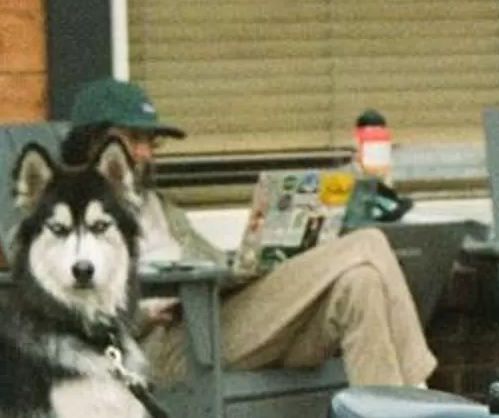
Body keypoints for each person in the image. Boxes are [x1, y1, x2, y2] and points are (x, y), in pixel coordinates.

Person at [63, 77, 436, 391]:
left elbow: (208, 264)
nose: (145, 153)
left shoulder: (159, 207)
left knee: (361, 282)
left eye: (150, 141)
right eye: (132, 139)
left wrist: (247, 265)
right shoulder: (71, 219)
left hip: (222, 325)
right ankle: (424, 400)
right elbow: (69, 313)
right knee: (367, 243)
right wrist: (144, 313)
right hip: (173, 348)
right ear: (92, 143)